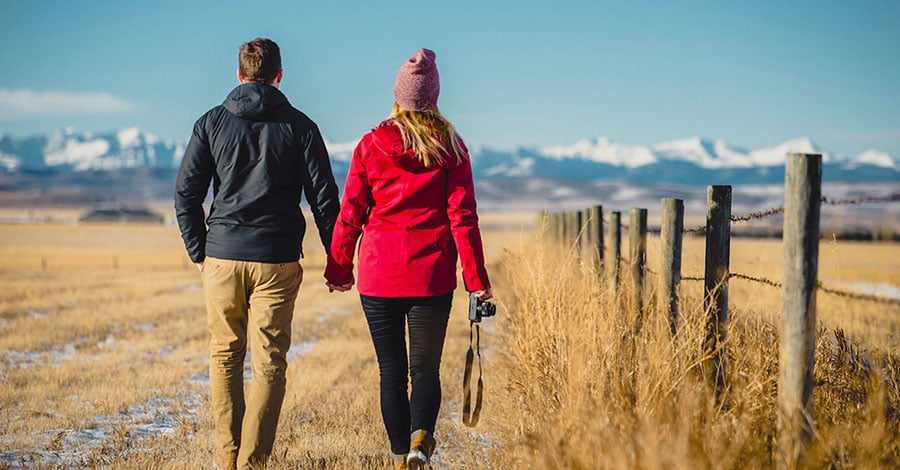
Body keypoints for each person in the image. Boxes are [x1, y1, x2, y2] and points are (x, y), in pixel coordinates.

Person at [175, 37, 340, 470]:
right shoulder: (302, 127)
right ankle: (252, 464)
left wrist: (200, 252)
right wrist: (338, 260)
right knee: (268, 364)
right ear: (279, 76)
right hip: (277, 260)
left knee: (225, 355)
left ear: (239, 75)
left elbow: (185, 195)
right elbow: (325, 200)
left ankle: (226, 458)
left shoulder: (210, 123)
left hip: (223, 256)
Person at [324, 48, 492, 470]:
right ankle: (421, 442)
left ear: (398, 96)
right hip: (432, 276)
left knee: (391, 371)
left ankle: (402, 455)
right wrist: (476, 281)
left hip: (380, 276)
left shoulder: (370, 144)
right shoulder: (452, 146)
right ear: (434, 97)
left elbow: (351, 213)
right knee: (425, 369)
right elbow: (463, 218)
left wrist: (339, 267)